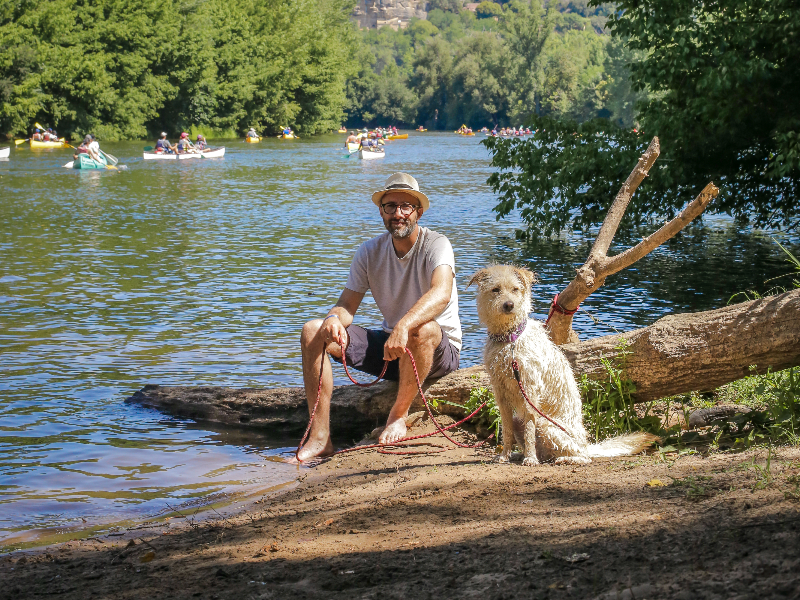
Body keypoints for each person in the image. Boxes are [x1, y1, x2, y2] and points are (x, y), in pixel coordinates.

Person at [297, 172, 462, 461]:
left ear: (418, 212)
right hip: (391, 348)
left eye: (405, 206)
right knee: (313, 330)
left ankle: (398, 416)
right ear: (381, 211)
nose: (397, 213)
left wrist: (404, 324)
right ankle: (320, 438)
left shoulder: (437, 244)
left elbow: (442, 293)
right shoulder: (369, 251)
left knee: (423, 330)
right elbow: (347, 304)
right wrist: (334, 319)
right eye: (390, 206)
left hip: (436, 351)